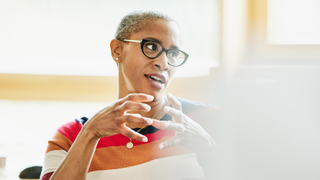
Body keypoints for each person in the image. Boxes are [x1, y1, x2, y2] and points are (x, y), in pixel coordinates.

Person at [40, 10, 217, 180]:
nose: (163, 63)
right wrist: (89, 135)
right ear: (117, 50)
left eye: (173, 54)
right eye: (151, 46)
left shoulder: (210, 119)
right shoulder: (70, 137)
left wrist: (209, 150)